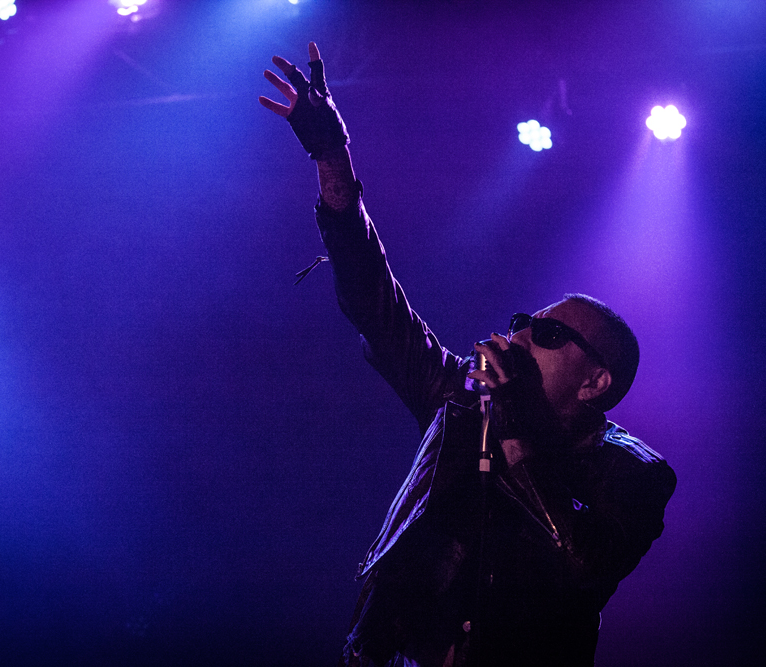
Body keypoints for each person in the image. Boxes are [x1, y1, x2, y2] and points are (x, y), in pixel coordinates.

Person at [260, 43, 677, 667]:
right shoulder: (461, 397)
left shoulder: (635, 474)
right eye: (524, 322)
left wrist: (516, 432)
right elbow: (373, 297)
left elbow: (586, 568)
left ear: (595, 381)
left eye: (549, 334)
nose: (523, 334)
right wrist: (330, 156)